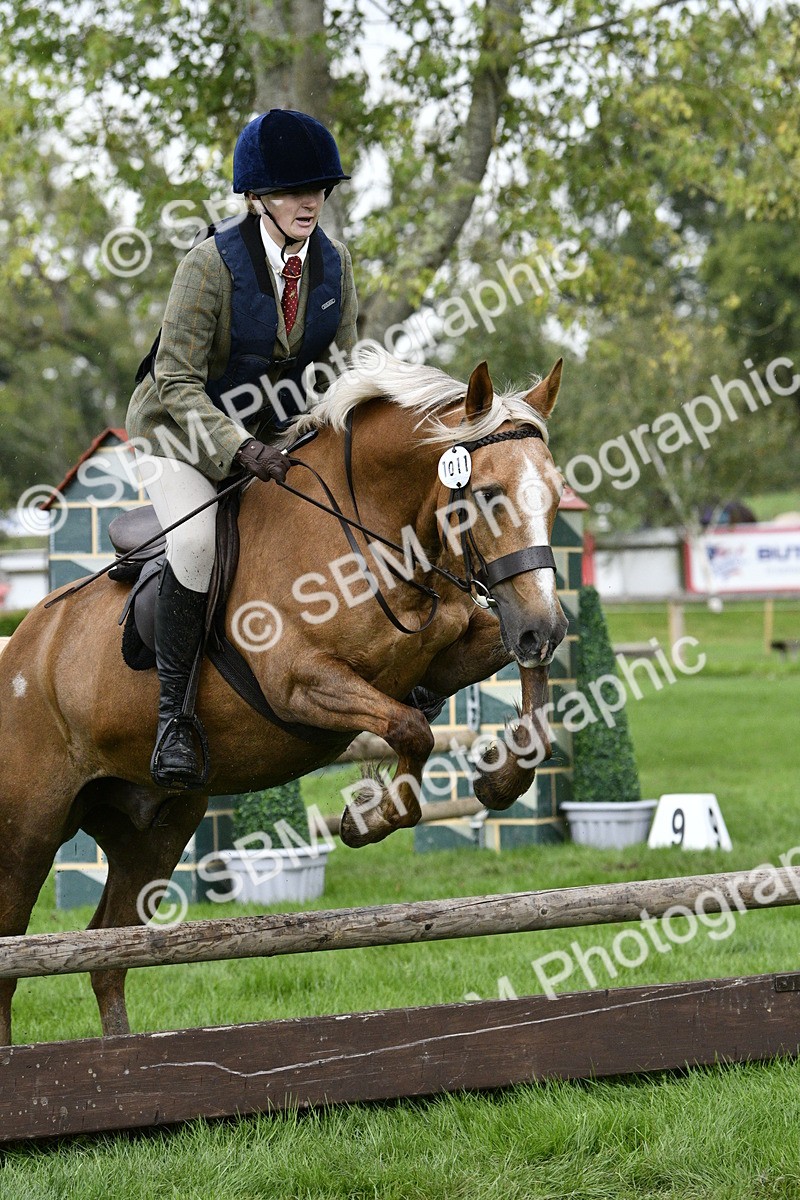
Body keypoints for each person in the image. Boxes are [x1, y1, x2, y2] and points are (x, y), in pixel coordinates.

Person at [126, 108, 358, 789]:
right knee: (197, 543)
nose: (308, 201)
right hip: (178, 433)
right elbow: (174, 381)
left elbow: (341, 367)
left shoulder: (334, 266)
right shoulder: (208, 265)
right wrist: (238, 449)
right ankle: (174, 715)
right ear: (256, 196)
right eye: (292, 190)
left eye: (318, 188)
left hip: (272, 435)